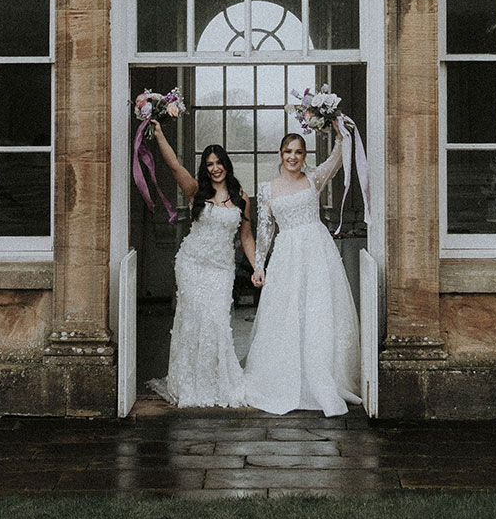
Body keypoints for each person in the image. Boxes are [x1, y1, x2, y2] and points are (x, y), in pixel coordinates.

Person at [244, 120, 362, 415]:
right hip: (286, 255)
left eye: (298, 152)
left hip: (317, 252)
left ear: (304, 155)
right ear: (280, 154)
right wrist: (259, 266)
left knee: (318, 312)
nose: (293, 157)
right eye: (288, 152)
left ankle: (322, 376)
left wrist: (339, 133)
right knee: (287, 314)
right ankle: (285, 378)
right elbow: (265, 232)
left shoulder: (313, 179)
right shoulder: (268, 189)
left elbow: (336, 161)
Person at [149, 128, 264, 407]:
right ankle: (189, 383)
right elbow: (174, 165)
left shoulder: (241, 198)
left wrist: (257, 266)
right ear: (205, 168)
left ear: (226, 164)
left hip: (221, 268)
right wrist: (160, 134)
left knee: (216, 322)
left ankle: (216, 380)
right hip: (191, 264)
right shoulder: (196, 192)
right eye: (209, 164)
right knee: (192, 322)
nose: (215, 168)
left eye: (218, 162)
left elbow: (246, 236)